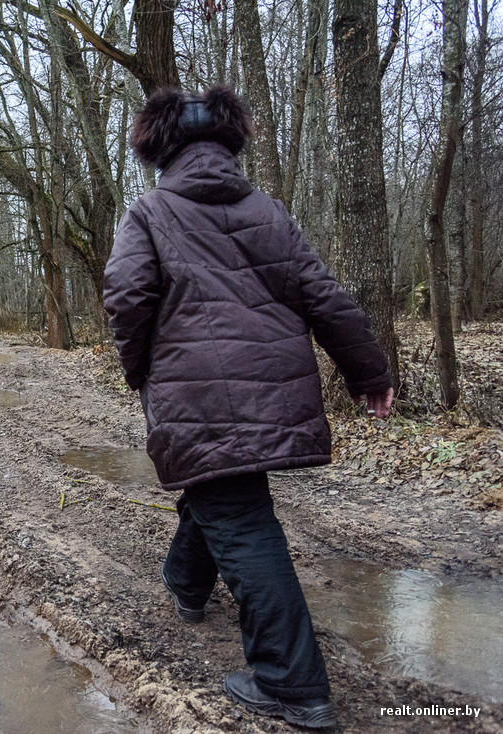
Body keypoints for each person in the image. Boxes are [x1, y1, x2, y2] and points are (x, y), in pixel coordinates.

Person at [103, 86, 394, 730]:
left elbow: (126, 299)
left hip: (194, 392)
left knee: (238, 516)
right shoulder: (267, 210)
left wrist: (138, 368)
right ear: (230, 144)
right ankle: (185, 584)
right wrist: (367, 371)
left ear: (161, 148)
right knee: (218, 488)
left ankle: (293, 685)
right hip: (267, 386)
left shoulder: (149, 212)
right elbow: (322, 293)